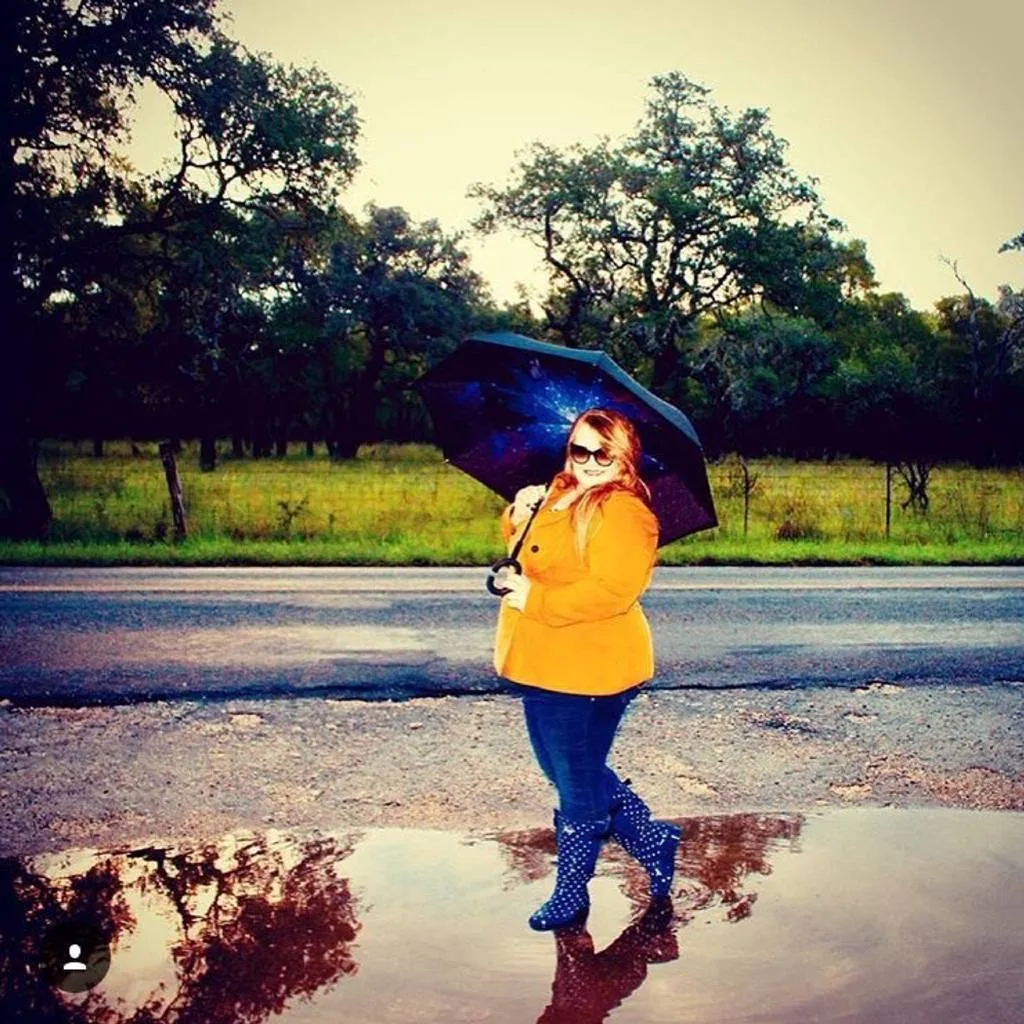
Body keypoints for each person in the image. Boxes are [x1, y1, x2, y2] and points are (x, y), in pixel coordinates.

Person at [494, 407, 682, 931]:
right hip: (540, 660)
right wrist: (519, 512)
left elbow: (612, 590)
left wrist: (533, 597)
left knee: (575, 786)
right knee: (566, 771)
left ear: (625, 457)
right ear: (568, 449)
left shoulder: (626, 513)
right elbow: (529, 555)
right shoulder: (555, 493)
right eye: (581, 449)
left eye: (605, 452)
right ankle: (653, 840)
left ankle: (571, 895)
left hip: (590, 667)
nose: (591, 462)